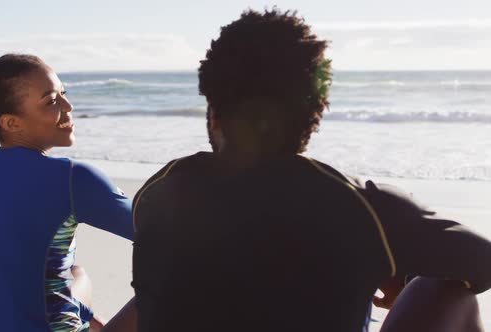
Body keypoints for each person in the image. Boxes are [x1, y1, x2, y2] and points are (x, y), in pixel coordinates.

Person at [131, 9, 491, 332]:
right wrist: (404, 273)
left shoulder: (159, 193)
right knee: (446, 288)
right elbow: (482, 260)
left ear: (213, 109)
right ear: (313, 116)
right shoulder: (358, 206)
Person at [0, 54, 134, 332]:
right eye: (51, 101)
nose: (69, 106)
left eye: (64, 93)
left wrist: (83, 312)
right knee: (177, 276)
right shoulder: (73, 177)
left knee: (76, 273)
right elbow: (159, 231)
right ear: (11, 123)